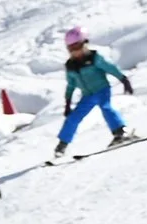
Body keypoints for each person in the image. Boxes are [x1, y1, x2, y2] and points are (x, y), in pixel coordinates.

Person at [55, 27, 135, 157]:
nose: (75, 51)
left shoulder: (94, 58)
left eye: (78, 46)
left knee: (106, 107)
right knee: (73, 118)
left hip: (102, 89)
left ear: (85, 43)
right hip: (87, 96)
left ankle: (121, 132)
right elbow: (71, 84)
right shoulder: (70, 65)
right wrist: (68, 102)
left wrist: (123, 80)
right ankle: (62, 145)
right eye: (71, 49)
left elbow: (110, 68)